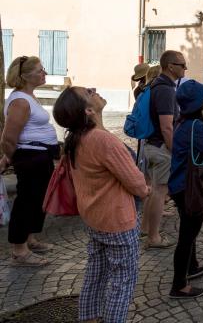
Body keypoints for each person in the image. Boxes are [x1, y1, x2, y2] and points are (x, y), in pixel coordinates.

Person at [53, 86, 149, 323]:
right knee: (122, 281)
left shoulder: (78, 138)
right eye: (88, 92)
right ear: (88, 110)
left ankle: (88, 317)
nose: (94, 90)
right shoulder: (103, 140)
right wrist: (147, 190)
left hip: (93, 216)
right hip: (117, 219)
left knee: (95, 274)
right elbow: (136, 182)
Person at [0, 56, 58, 266]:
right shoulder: (21, 101)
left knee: (38, 199)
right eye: (40, 70)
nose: (44, 73)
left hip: (39, 156)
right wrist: (13, 158)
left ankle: (30, 239)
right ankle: (19, 250)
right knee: (27, 200)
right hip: (30, 157)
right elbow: (7, 138)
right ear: (24, 76)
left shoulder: (28, 97)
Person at [167, 80, 203, 299]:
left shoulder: (182, 122)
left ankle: (193, 266)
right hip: (188, 186)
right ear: (198, 103)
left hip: (178, 184)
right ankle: (179, 285)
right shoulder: (195, 126)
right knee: (187, 235)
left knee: (190, 230)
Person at [140, 51, 186, 249]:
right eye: (182, 64)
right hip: (161, 147)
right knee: (160, 191)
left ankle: (144, 229)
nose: (185, 68)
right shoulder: (166, 89)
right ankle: (153, 237)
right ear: (170, 66)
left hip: (152, 145)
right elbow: (167, 126)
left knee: (154, 191)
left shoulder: (157, 85)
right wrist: (174, 151)